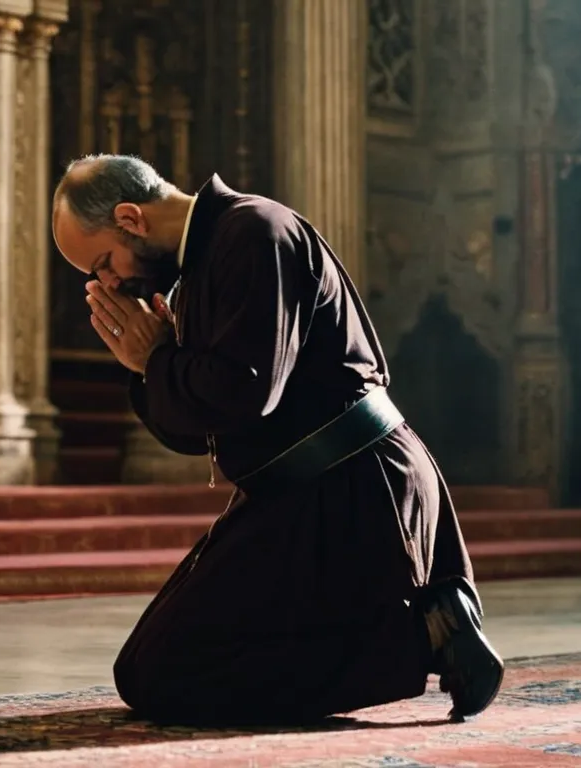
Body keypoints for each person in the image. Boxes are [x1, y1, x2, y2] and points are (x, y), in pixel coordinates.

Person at [51, 154, 503, 726]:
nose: (109, 283)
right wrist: (149, 366)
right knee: (143, 665)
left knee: (166, 670)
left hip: (353, 489)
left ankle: (425, 637)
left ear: (130, 218)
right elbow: (199, 432)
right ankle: (422, 630)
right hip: (296, 495)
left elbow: (244, 392)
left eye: (103, 263)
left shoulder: (256, 233)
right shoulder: (196, 271)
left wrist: (158, 360)